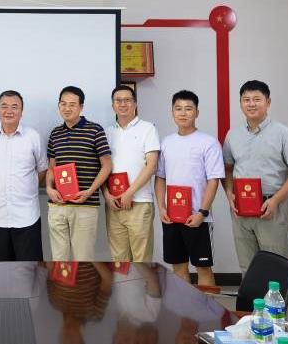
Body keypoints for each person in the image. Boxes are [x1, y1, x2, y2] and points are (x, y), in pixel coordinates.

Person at [223, 80, 288, 274]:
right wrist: (229, 194)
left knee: (274, 268)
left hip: (270, 207)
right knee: (247, 267)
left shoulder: (283, 133)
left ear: (268, 102)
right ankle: (251, 297)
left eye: (257, 99)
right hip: (240, 211)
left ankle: (275, 297)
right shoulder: (232, 135)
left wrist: (276, 200)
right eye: (246, 99)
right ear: (240, 103)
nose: (251, 104)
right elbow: (227, 169)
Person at [154, 90, 225, 288]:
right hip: (171, 217)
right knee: (178, 266)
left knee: (203, 268)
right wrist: (161, 208)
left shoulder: (208, 142)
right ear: (172, 112)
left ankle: (207, 309)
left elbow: (213, 180)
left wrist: (202, 212)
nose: (183, 113)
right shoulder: (166, 142)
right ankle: (184, 308)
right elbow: (160, 177)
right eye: (178, 109)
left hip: (197, 217)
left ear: (197, 112)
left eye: (188, 109)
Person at [45, 86, 112, 261]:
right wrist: (49, 188)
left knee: (83, 260)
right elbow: (52, 167)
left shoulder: (95, 130)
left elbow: (106, 166)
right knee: (59, 259)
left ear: (81, 107)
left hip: (85, 205)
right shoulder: (55, 133)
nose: (67, 108)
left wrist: (89, 191)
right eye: (63, 104)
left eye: (72, 104)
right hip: (57, 205)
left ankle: (84, 282)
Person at [0, 90, 48, 261]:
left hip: (27, 215)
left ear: (21, 111)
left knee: (31, 270)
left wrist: (28, 187)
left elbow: (43, 169)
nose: (9, 111)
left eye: (14, 106)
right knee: (2, 270)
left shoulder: (33, 137)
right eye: (4, 106)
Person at [104, 85, 160, 262]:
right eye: (118, 101)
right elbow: (102, 168)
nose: (123, 104)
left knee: (141, 260)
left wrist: (129, 193)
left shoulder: (148, 128)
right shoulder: (106, 132)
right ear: (113, 105)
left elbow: (151, 165)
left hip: (139, 202)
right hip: (114, 204)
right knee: (119, 260)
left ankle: (142, 284)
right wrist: (106, 195)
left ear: (135, 104)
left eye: (127, 100)